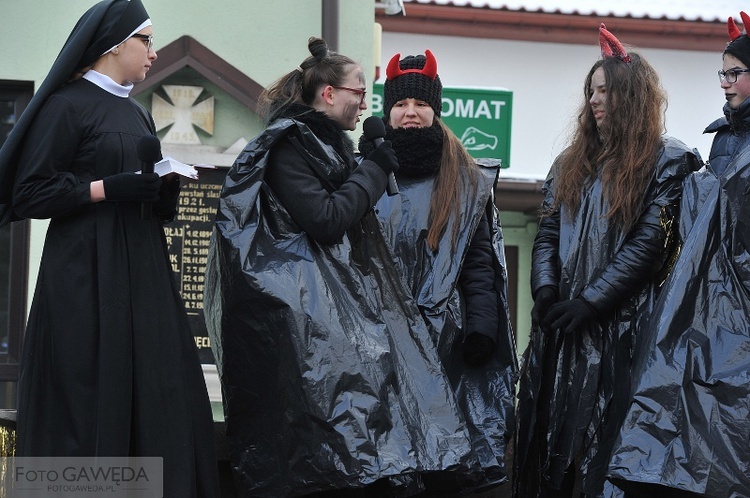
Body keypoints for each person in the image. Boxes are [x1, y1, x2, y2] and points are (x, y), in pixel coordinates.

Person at [204, 37, 481, 497]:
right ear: (329, 94)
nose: (363, 106)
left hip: (327, 321)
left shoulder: (325, 145)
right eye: (358, 94)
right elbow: (326, 219)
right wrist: (372, 170)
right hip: (305, 329)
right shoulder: (291, 145)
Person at [0, 1, 220, 496]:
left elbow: (139, 188)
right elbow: (31, 193)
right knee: (86, 389)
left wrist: (161, 193)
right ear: (114, 44)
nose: (153, 52)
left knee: (155, 390)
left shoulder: (137, 114)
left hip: (141, 274)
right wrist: (106, 188)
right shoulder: (66, 106)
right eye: (145, 41)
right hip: (84, 274)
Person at [512, 24, 701, 498]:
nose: (595, 101)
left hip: (625, 332)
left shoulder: (666, 162)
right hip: (563, 332)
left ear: (632, 98)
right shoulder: (569, 164)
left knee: (609, 446)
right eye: (591, 91)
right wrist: (545, 290)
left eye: (605, 92)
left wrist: (592, 303)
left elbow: (647, 246)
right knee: (552, 451)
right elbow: (548, 232)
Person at [358, 49, 517, 495]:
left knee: (440, 461)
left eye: (420, 104)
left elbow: (479, 263)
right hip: (378, 344)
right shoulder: (363, 174)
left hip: (446, 346)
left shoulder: (464, 181)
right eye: (401, 105)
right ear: (388, 110)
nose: (410, 113)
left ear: (435, 109)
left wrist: (482, 327)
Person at [607, 13, 750, 497]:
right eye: (723, 74)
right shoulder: (725, 140)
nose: (725, 84)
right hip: (701, 308)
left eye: (735, 73)